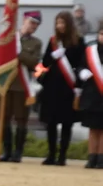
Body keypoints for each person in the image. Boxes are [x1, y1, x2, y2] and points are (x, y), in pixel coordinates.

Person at [38, 10, 85, 166]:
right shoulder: (53, 41)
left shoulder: (78, 41)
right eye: (58, 23)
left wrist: (79, 85)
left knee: (66, 122)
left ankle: (62, 156)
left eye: (62, 23)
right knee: (51, 122)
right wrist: (53, 56)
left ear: (69, 24)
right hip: (52, 87)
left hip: (68, 87)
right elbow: (44, 63)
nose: (60, 26)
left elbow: (82, 63)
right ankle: (51, 154)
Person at [0, 11, 44, 163]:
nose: (34, 27)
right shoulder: (9, 37)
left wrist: (19, 53)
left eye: (36, 25)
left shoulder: (36, 43)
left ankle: (18, 152)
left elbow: (34, 62)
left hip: (21, 86)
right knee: (4, 119)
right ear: (24, 20)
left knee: (21, 119)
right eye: (32, 23)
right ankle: (6, 150)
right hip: (6, 84)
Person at [81, 23, 103, 168]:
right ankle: (91, 157)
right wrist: (82, 72)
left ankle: (101, 159)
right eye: (101, 34)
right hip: (92, 94)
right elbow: (82, 65)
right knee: (93, 128)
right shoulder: (90, 50)